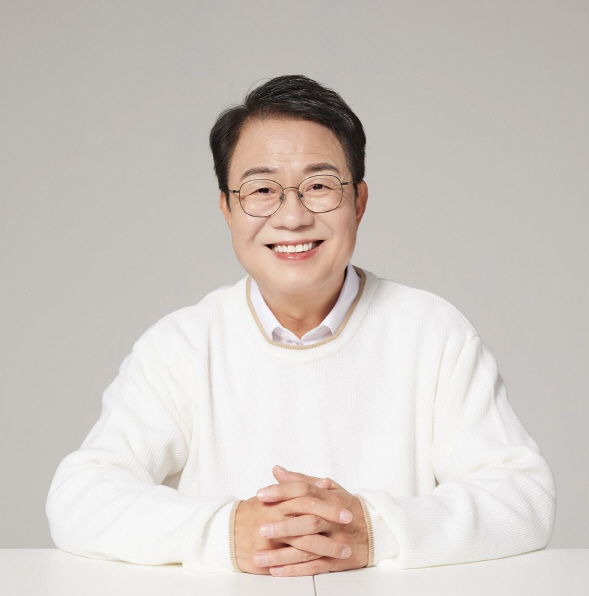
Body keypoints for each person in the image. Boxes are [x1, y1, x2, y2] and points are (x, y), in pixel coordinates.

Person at [46, 74, 557, 577]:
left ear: (358, 202)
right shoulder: (181, 346)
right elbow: (80, 498)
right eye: (262, 189)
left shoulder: (433, 333)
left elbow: (523, 495)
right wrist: (227, 531)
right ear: (227, 209)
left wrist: (374, 529)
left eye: (318, 186)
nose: (292, 217)